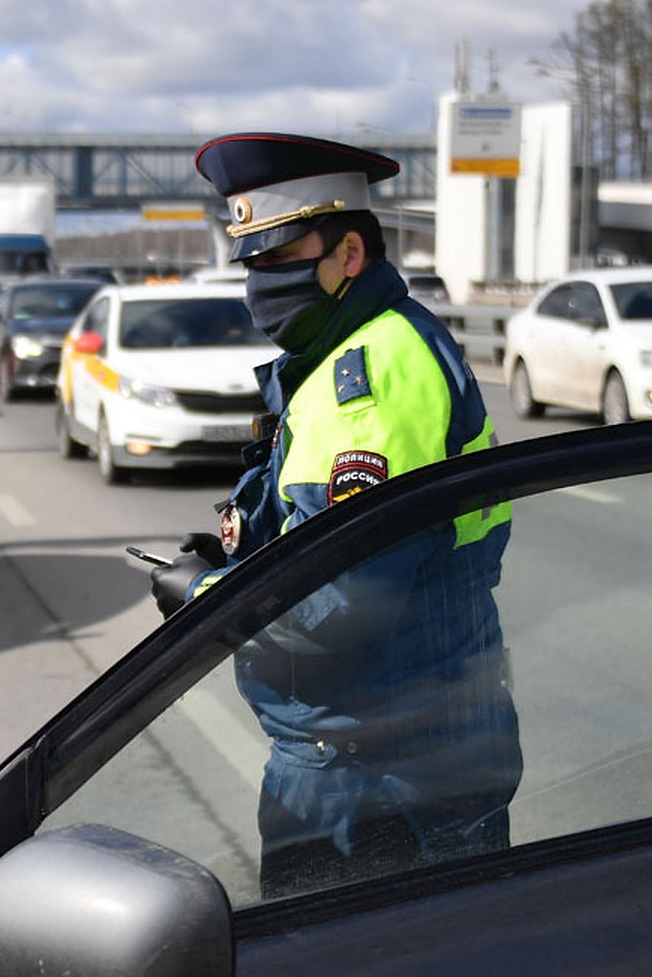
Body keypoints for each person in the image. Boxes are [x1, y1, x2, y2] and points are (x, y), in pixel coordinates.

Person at [149, 132, 522, 898]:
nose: (259, 280)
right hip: (398, 746)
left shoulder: (370, 376)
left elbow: (341, 607)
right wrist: (231, 558)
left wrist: (201, 599)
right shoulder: (346, 350)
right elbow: (312, 540)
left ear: (349, 253)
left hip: (379, 772)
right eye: (249, 259)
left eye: (279, 255)